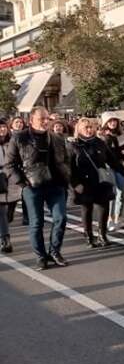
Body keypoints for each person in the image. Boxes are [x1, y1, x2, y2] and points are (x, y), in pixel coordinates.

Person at [3, 106, 72, 270]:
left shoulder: (56, 138)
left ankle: (55, 251)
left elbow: (66, 159)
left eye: (47, 118)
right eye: (42, 119)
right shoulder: (20, 138)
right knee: (36, 223)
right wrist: (22, 183)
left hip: (56, 185)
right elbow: (9, 165)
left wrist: (66, 177)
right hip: (32, 186)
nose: (46, 122)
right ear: (31, 120)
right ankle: (41, 256)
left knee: (61, 218)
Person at [69, 118, 124, 247]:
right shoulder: (74, 145)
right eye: (86, 127)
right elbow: (70, 167)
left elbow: (112, 161)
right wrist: (75, 183)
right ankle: (89, 236)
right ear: (78, 129)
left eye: (91, 127)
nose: (89, 130)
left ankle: (102, 235)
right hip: (84, 182)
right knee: (87, 209)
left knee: (104, 208)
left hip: (101, 180)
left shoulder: (100, 142)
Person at [103, 115, 124, 230]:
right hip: (109, 167)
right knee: (112, 193)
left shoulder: (123, 134)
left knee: (121, 193)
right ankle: (109, 218)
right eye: (110, 121)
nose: (112, 123)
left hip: (122, 165)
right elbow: (105, 155)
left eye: (114, 120)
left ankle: (118, 217)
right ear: (106, 123)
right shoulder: (103, 136)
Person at [0, 119, 21, 253]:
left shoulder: (12, 142)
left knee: (6, 212)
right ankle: (5, 239)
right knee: (1, 210)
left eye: (4, 127)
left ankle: (5, 235)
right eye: (0, 127)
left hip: (9, 177)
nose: (2, 130)